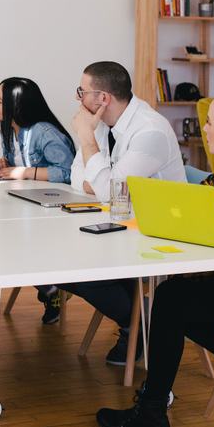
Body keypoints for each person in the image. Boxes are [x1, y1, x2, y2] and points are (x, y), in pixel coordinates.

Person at [96, 70, 214, 427]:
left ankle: (152, 412)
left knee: (170, 302)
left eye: (209, 123)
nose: (204, 129)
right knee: (172, 302)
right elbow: (199, 201)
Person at [43, 62, 186, 364]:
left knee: (77, 271)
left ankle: (140, 326)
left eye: (82, 91)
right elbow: (79, 181)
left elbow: (108, 189)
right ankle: (137, 322)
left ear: (102, 98)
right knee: (60, 264)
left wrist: (86, 139)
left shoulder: (149, 132)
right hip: (122, 223)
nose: (78, 98)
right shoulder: (109, 127)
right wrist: (99, 172)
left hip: (157, 231)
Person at [0, 77, 76, 183]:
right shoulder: (8, 128)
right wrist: (6, 164)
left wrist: (24, 172)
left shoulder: (44, 133)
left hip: (49, 195)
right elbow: (20, 161)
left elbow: (68, 172)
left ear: (17, 108)